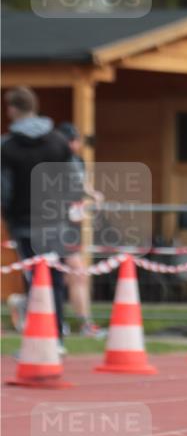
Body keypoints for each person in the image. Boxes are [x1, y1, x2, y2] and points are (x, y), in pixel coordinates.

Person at [1, 87, 71, 348]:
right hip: (55, 221)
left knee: (33, 279)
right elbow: (73, 180)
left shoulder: (7, 146)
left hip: (24, 222)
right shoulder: (59, 142)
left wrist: (8, 216)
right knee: (54, 279)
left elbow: (4, 189)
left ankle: (39, 338)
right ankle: (57, 338)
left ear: (12, 109)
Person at [55, 122, 106, 337]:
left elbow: (81, 184)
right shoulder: (53, 161)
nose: (76, 145)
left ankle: (80, 323)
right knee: (74, 272)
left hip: (73, 224)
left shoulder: (78, 161)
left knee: (72, 275)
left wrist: (92, 194)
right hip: (54, 223)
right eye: (73, 141)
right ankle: (78, 324)